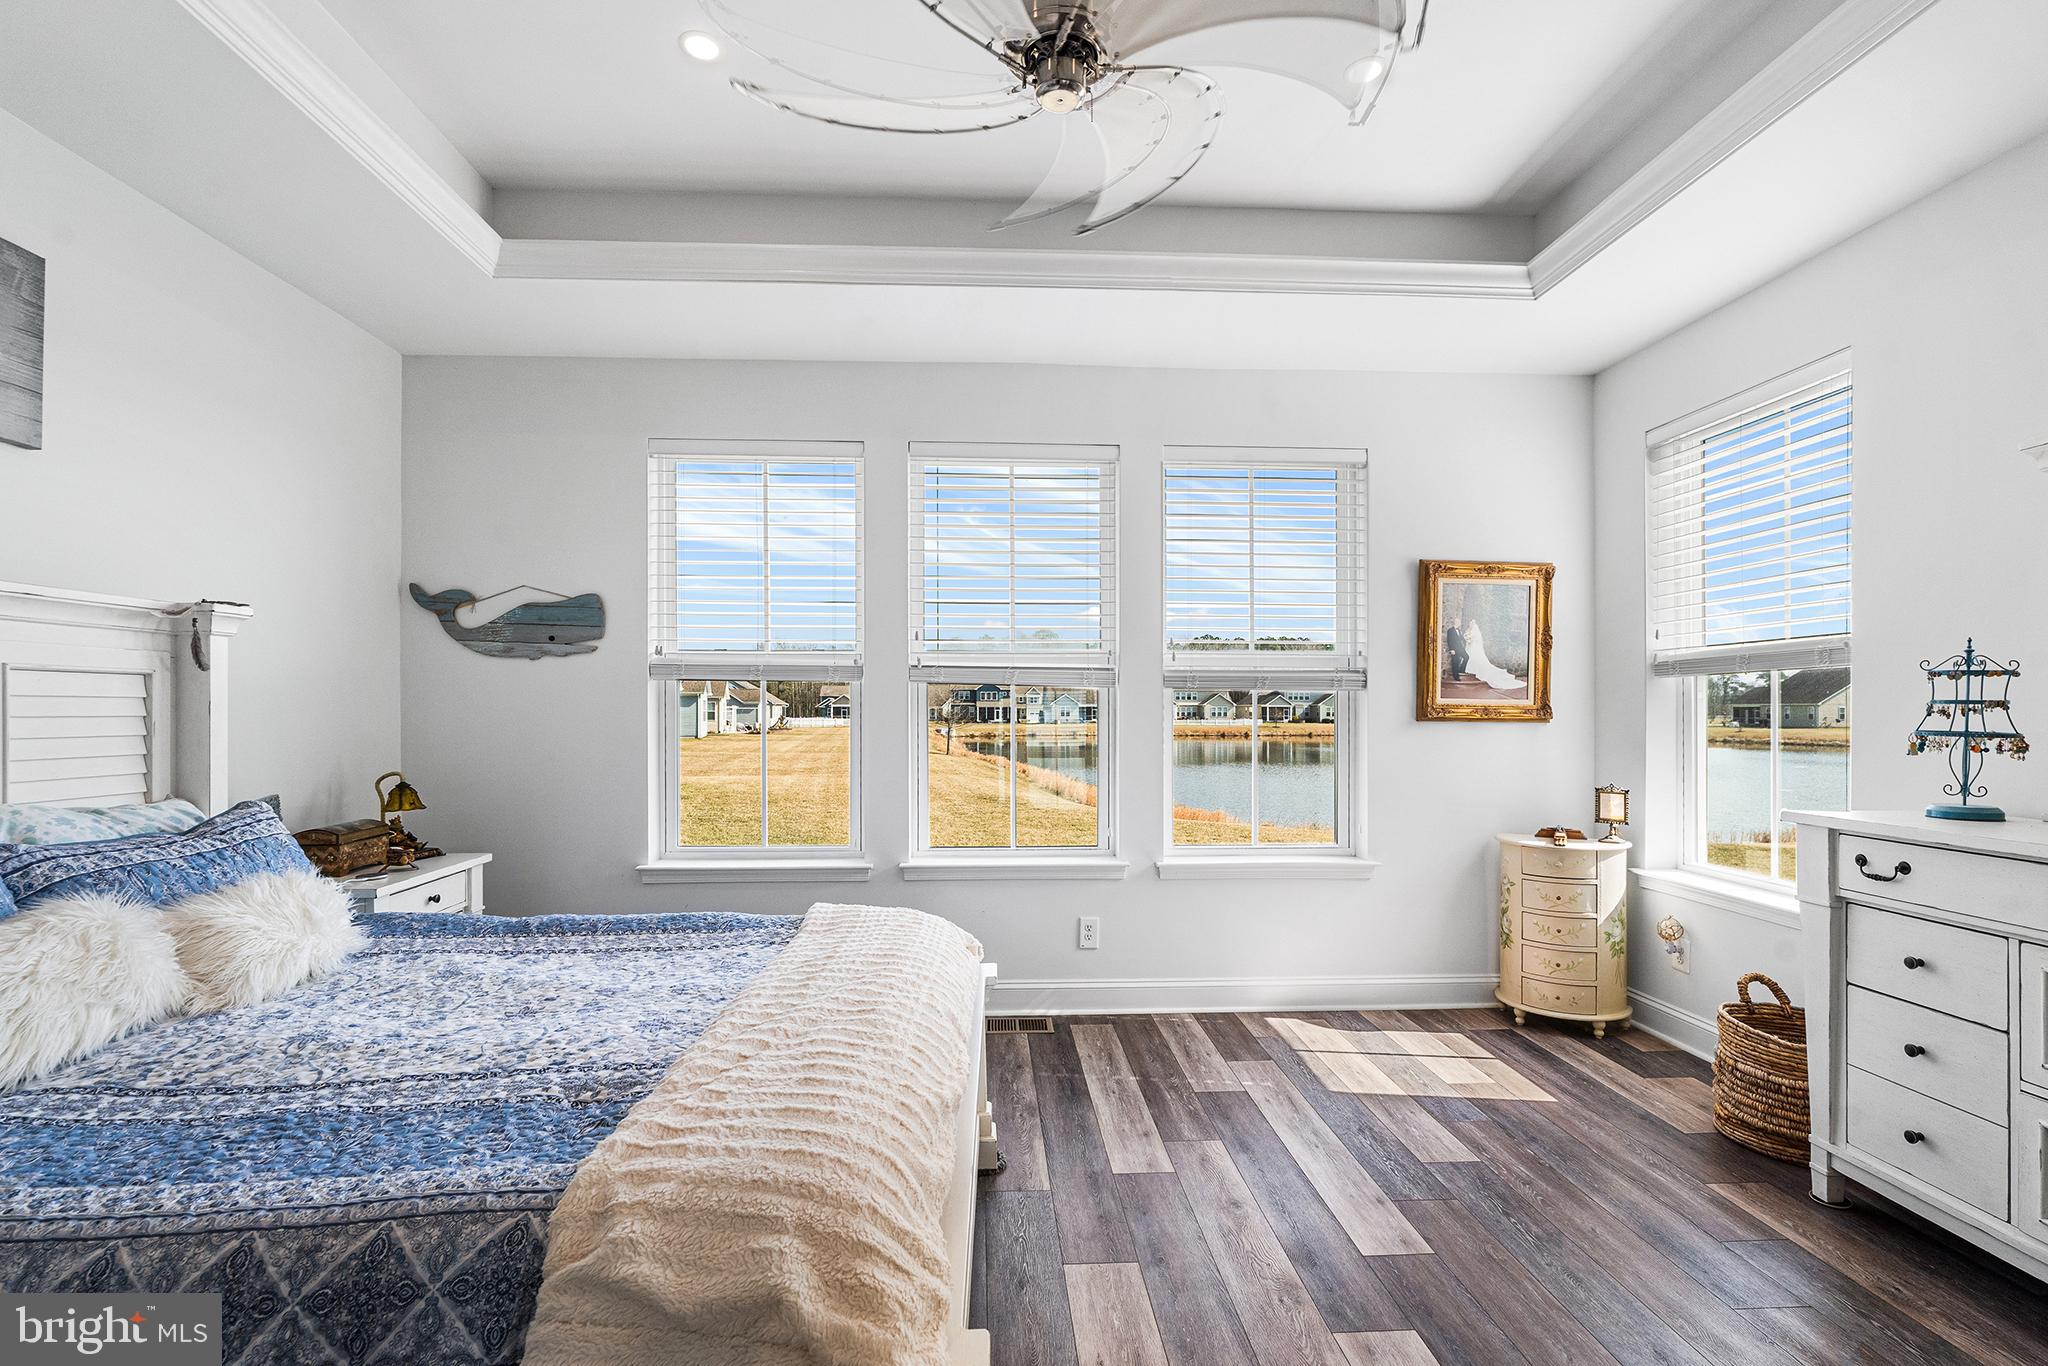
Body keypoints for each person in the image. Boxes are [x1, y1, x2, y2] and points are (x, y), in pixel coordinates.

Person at [1462, 616, 1524, 693]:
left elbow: (1477, 639)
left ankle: (1474, 670)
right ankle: (1469, 669)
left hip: (1474, 647)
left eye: (1471, 623)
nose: (1470, 624)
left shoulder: (1475, 631)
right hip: (1469, 647)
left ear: (1474, 624)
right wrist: (1468, 639)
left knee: (1476, 658)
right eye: (1470, 623)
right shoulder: (1468, 630)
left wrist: (1470, 640)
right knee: (1468, 657)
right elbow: (1467, 636)